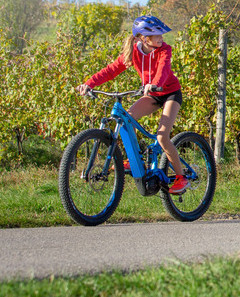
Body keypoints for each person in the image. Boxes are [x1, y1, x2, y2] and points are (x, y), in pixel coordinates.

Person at [76, 15, 190, 194]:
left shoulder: (164, 50)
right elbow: (111, 70)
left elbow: (163, 69)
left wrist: (154, 83)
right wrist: (89, 83)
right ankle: (135, 158)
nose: (162, 38)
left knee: (162, 137)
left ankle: (181, 177)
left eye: (161, 35)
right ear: (143, 38)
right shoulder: (133, 52)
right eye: (157, 35)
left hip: (170, 93)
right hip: (151, 93)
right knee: (127, 118)